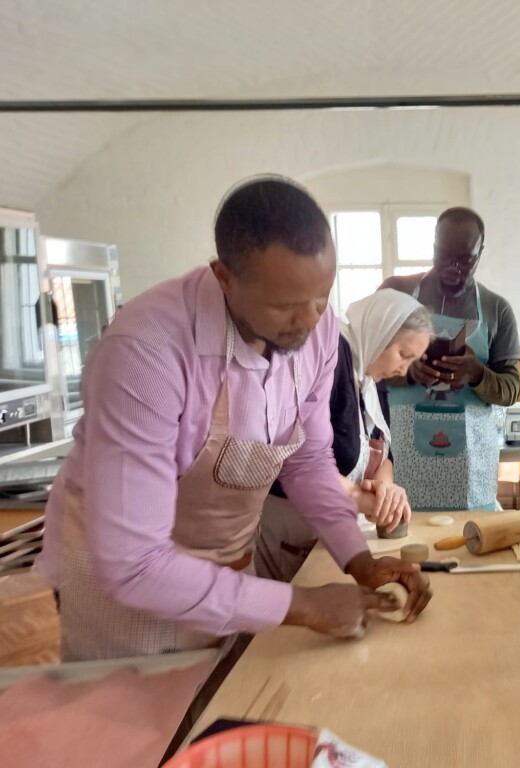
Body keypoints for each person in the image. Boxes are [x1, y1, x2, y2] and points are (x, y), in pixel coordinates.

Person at [36, 176, 431, 662]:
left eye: (321, 298)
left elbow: (307, 461)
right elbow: (134, 564)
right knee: (149, 710)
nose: (309, 322)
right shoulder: (145, 352)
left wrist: (359, 559)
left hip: (227, 580)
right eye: (284, 306)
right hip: (123, 599)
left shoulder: (321, 331)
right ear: (224, 277)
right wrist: (302, 604)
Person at [257, 289, 434, 582]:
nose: (404, 369)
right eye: (403, 354)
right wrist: (364, 500)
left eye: (412, 360)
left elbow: (384, 453)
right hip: (293, 529)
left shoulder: (371, 376)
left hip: (334, 531)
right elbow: (299, 460)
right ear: (380, 331)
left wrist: (385, 489)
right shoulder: (331, 360)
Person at [382, 207, 520, 511]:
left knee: (469, 535)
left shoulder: (496, 309)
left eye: (465, 260)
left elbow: (512, 389)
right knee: (404, 532)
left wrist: (478, 374)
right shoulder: (395, 294)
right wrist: (408, 370)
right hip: (402, 460)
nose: (452, 267)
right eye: (443, 256)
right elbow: (363, 365)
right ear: (433, 246)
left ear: (480, 253)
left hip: (471, 469)